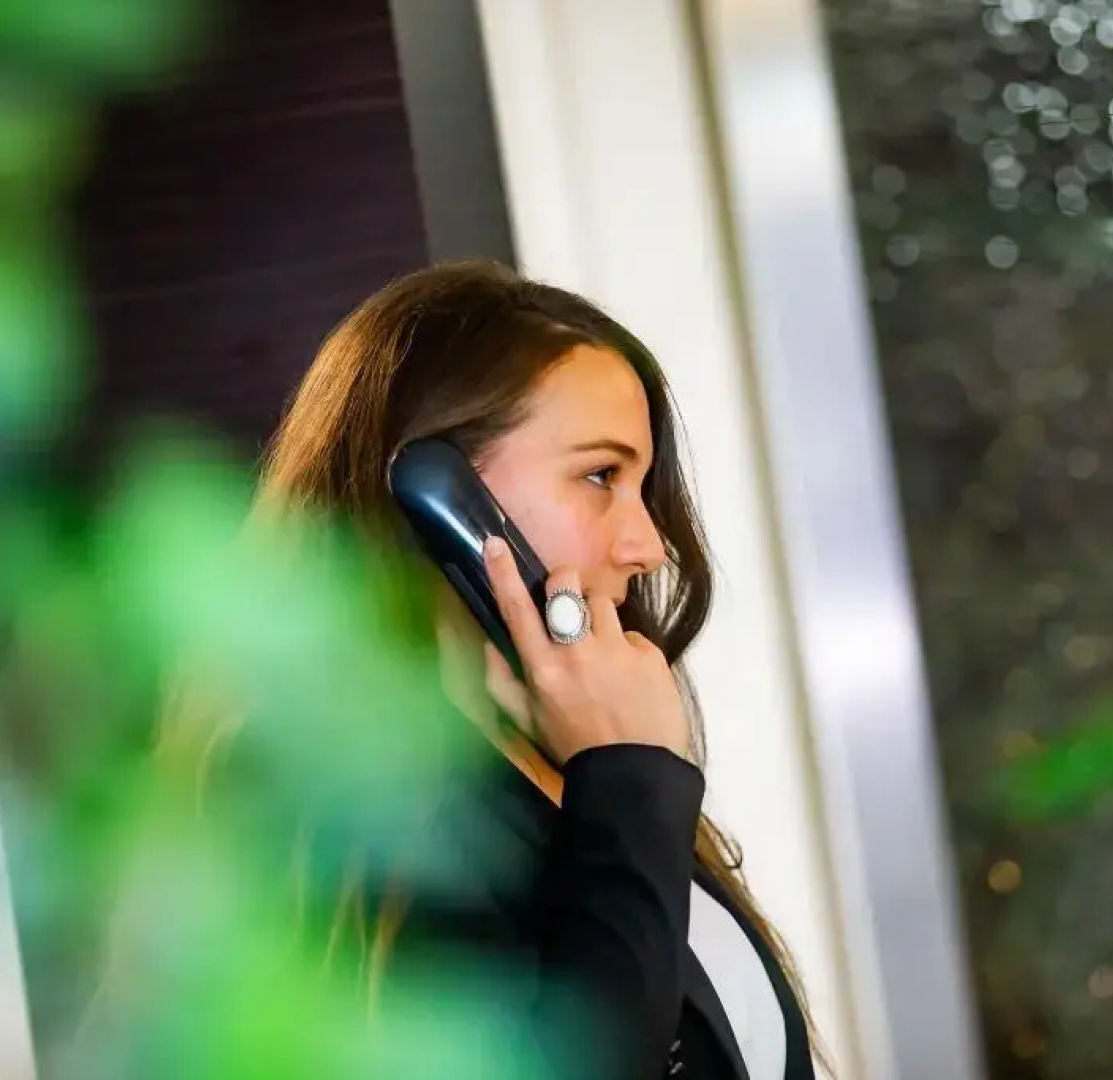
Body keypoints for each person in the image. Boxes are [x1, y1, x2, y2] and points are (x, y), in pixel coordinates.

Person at [247, 260, 823, 1079]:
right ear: (437, 496)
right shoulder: (382, 827)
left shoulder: (576, 770)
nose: (646, 545)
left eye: (640, 486)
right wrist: (627, 780)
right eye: (599, 476)